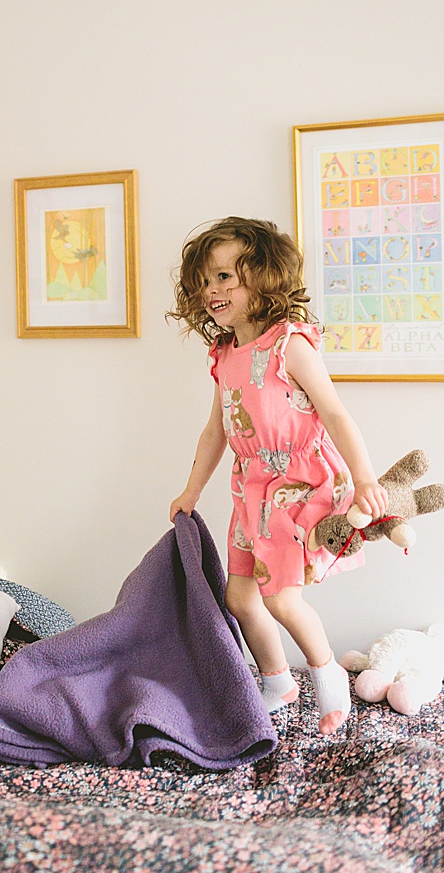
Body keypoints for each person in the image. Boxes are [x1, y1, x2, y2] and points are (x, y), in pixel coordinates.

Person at [167, 216, 388, 735]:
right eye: (205, 280)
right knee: (239, 597)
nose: (212, 290)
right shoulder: (224, 355)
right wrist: (191, 490)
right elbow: (216, 432)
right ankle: (276, 680)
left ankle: (326, 672)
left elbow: (335, 414)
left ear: (263, 279)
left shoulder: (290, 344)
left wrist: (365, 478)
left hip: (298, 487)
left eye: (226, 277)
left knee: (282, 598)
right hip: (251, 491)